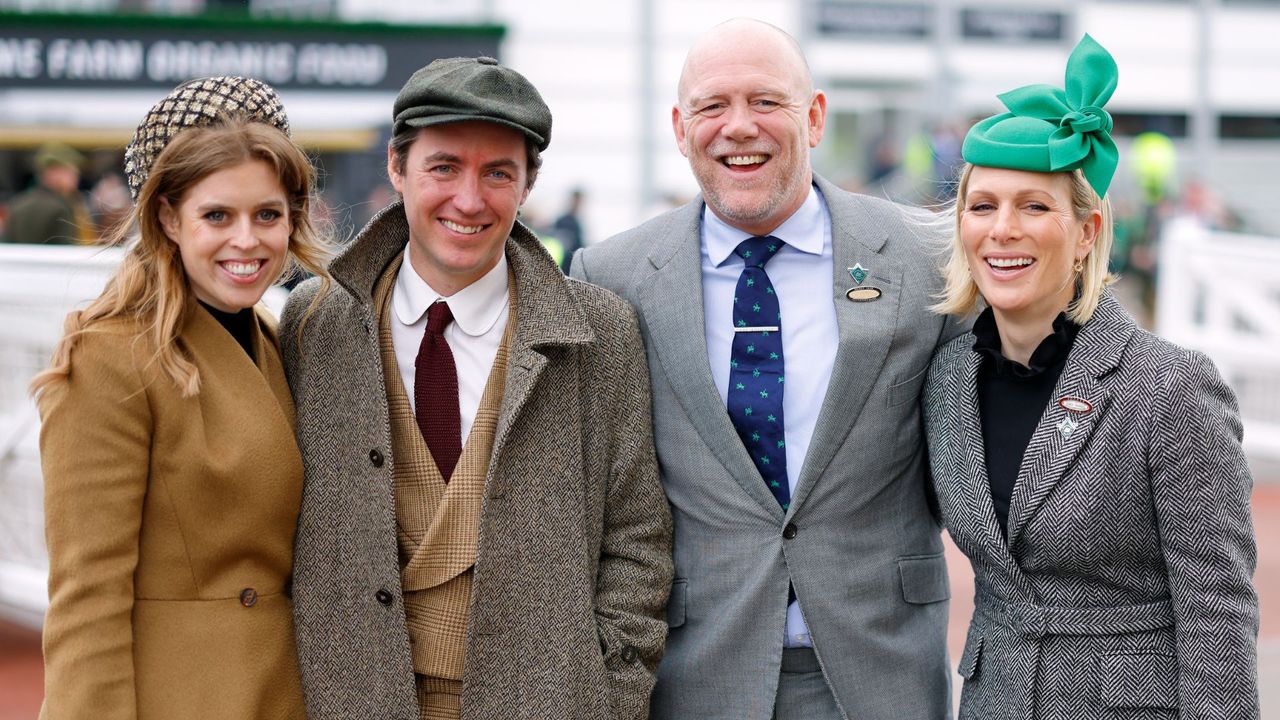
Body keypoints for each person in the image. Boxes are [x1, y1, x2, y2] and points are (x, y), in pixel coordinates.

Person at [571, 18, 962, 720]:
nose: (738, 127)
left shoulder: (922, 256)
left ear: (813, 118)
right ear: (679, 127)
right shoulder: (611, 276)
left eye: (765, 102)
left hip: (882, 671)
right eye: (713, 106)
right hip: (697, 673)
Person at [279, 56, 672, 720]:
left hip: (547, 701)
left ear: (528, 186)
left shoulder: (601, 331)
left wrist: (611, 693)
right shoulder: (313, 321)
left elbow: (637, 534)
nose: (469, 199)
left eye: (498, 173)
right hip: (348, 698)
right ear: (396, 168)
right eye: (443, 168)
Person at [923, 35, 1258, 719]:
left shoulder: (1170, 389)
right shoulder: (944, 380)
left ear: (1086, 232)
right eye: (982, 206)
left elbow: (1218, 610)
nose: (1002, 230)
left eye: (1035, 207)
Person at [32, 76, 329, 719]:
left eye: (268, 215)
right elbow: (87, 597)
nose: (247, 241)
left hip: (283, 692)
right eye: (217, 215)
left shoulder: (276, 340)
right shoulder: (108, 358)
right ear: (168, 218)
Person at [3, 142, 92, 244]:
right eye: (71, 173)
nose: (76, 180)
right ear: (54, 173)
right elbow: (66, 253)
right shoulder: (59, 209)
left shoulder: (18, 203)